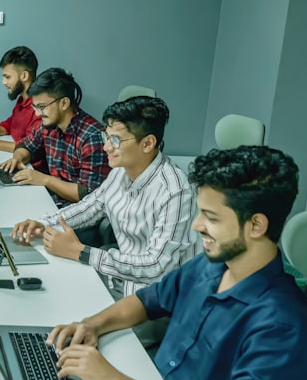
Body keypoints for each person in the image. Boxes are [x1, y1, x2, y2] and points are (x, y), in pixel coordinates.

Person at [46, 146, 307, 380]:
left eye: (212, 218)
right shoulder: (211, 265)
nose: (196, 225)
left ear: (256, 225)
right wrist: (92, 325)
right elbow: (148, 301)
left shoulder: (284, 324)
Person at [11, 96, 198, 299]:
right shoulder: (121, 171)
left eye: (116, 140)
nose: (107, 147)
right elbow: (90, 207)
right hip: (121, 275)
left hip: (158, 298)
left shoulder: (176, 191)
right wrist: (42, 223)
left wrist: (80, 252)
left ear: (147, 144)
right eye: (106, 137)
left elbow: (155, 265)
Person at [0, 68, 109, 207]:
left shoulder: (92, 137)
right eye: (35, 107)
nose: (37, 114)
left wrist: (44, 180)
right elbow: (25, 146)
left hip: (76, 211)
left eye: (42, 107)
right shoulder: (48, 125)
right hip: (51, 200)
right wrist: (17, 159)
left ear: (64, 103)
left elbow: (88, 193)